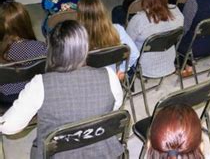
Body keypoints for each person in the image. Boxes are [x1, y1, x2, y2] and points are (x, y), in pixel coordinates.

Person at [0, 20, 123, 158]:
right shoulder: (109, 75)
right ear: (85, 47)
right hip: (102, 153)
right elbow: (114, 107)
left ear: (52, 50)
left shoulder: (40, 84)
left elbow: (8, 127)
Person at [126, 0, 184, 78]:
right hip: (169, 63)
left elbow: (126, 46)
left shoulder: (139, 20)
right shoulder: (177, 13)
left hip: (145, 68)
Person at [77, 0, 140, 76]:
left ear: (80, 15)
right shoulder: (117, 30)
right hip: (111, 76)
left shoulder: (76, 37)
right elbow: (134, 54)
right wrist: (121, 70)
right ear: (102, 10)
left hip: (89, 80)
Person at [0, 2, 47, 104]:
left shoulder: (2, 51)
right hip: (34, 96)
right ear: (26, 22)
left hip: (6, 99)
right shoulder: (40, 47)